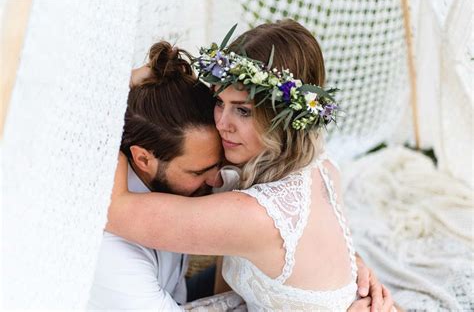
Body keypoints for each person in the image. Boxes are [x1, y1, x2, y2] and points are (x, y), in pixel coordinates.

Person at [107, 19, 395, 311]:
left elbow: (114, 209)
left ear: (284, 119)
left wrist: (120, 108)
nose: (221, 123)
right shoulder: (320, 163)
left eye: (243, 110)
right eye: (220, 101)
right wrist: (353, 262)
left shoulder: (253, 215)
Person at [87, 41, 223, 310]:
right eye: (198, 172)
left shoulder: (168, 182)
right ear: (143, 159)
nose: (217, 181)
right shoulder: (113, 253)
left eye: (219, 164)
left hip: (178, 294)